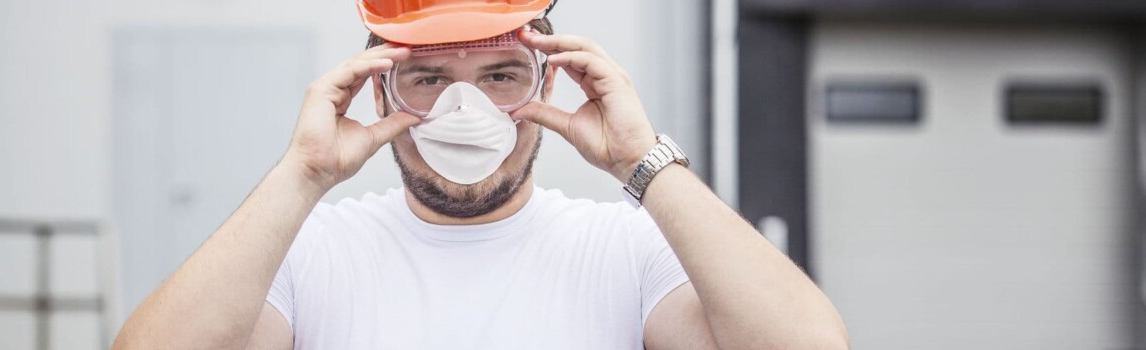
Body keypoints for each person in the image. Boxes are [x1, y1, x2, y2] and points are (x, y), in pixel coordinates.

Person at [113, 0, 848, 349]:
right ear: (378, 92)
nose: (466, 109)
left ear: (551, 87)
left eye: (501, 75)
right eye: (428, 79)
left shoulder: (627, 250)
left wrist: (641, 159)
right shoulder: (308, 254)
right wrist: (302, 173)